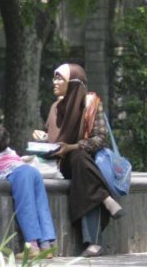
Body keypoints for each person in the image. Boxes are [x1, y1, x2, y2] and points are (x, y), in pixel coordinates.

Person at [35, 62, 124, 257]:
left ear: (74, 83)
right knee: (82, 169)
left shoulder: (91, 105)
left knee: (80, 161)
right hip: (60, 163)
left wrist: (73, 147)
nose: (54, 81)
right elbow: (53, 138)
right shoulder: (55, 106)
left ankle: (93, 242)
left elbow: (100, 139)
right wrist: (42, 136)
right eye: (54, 77)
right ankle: (106, 198)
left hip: (85, 163)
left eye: (60, 78)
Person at [0, 124, 57, 258]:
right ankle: (46, 246)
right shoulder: (9, 152)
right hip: (32, 171)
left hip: (21, 175)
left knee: (25, 207)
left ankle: (32, 247)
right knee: (41, 206)